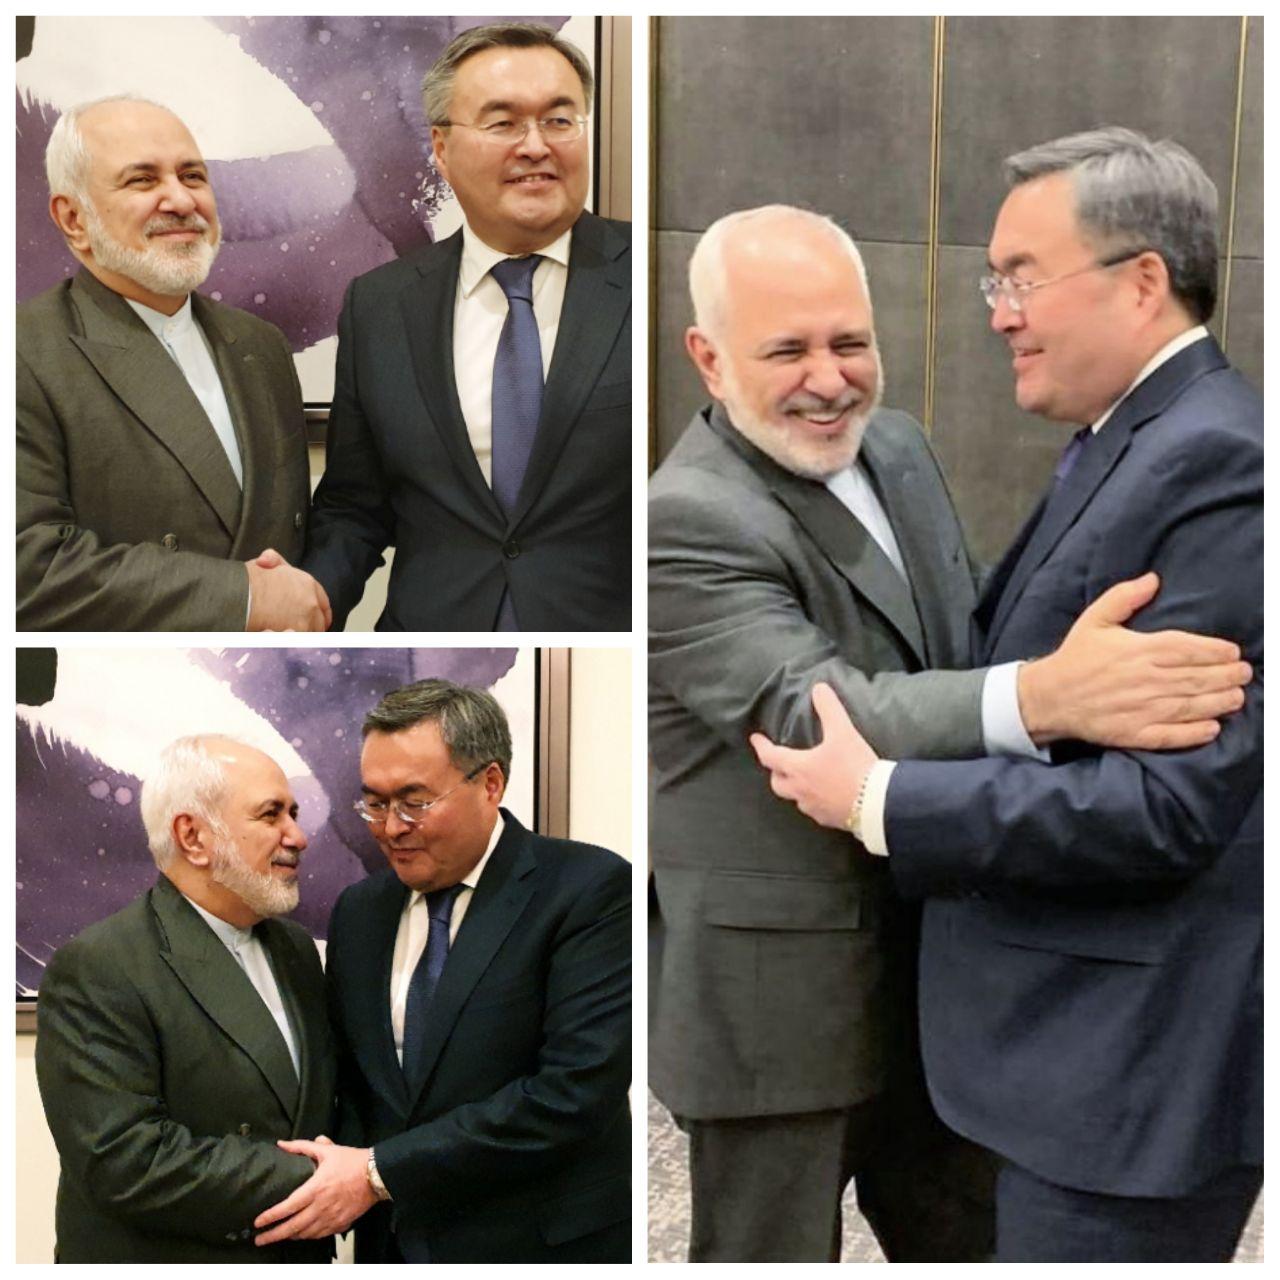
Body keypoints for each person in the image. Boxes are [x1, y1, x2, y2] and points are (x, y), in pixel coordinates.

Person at [648, 204, 1251, 1262]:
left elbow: (966, 630)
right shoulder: (681, 519)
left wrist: (1093, 668)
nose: (829, 379)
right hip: (779, 1017)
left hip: (953, 990)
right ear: (708, 357)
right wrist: (1048, 695)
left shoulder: (898, 446)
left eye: (850, 342)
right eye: (787, 351)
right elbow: (821, 712)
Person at [251, 679, 631, 1261]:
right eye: (375, 803)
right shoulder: (361, 911)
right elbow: (357, 1083)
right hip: (395, 1247)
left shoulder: (587, 890)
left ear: (490, 783)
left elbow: (574, 1093)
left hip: (537, 1246)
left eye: (414, 802)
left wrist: (377, 1173)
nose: (391, 827)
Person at [304, 23, 631, 631]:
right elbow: (354, 506)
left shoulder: (653, 280)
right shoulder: (379, 305)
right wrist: (307, 606)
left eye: (559, 120)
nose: (535, 145)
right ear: (442, 147)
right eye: (503, 123)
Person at [18, 95, 330, 631]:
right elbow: (28, 571)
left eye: (192, 176)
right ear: (73, 218)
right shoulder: (24, 352)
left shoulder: (261, 346)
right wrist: (242, 598)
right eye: (142, 180)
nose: (182, 200)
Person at [35, 736, 336, 1262]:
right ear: (193, 837)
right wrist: (326, 1176)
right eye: (271, 815)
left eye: (293, 813)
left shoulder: (294, 950)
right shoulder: (100, 967)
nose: (298, 836)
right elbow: (125, 1162)